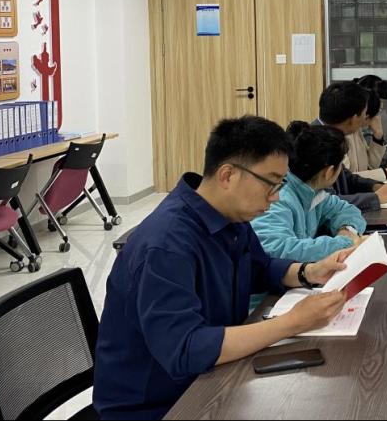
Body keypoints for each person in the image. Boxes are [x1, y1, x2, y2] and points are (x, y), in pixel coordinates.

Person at [94, 116, 350, 420]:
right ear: (228, 175)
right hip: (158, 406)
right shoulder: (165, 245)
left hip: (215, 378)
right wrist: (292, 322)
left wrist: (308, 272)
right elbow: (186, 349)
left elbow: (260, 268)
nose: (277, 196)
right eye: (271, 183)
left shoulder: (230, 216)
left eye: (281, 184)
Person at [251, 122, 368, 304]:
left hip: (293, 289)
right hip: (265, 302)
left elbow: (346, 210)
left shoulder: (312, 191)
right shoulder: (280, 197)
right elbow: (275, 249)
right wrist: (344, 243)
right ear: (330, 172)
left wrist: (347, 230)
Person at [314, 82, 387, 210]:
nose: (367, 117)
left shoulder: (329, 136)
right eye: (365, 113)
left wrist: (373, 186)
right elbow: (325, 203)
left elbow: (347, 178)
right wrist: (375, 198)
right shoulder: (314, 144)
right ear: (354, 118)